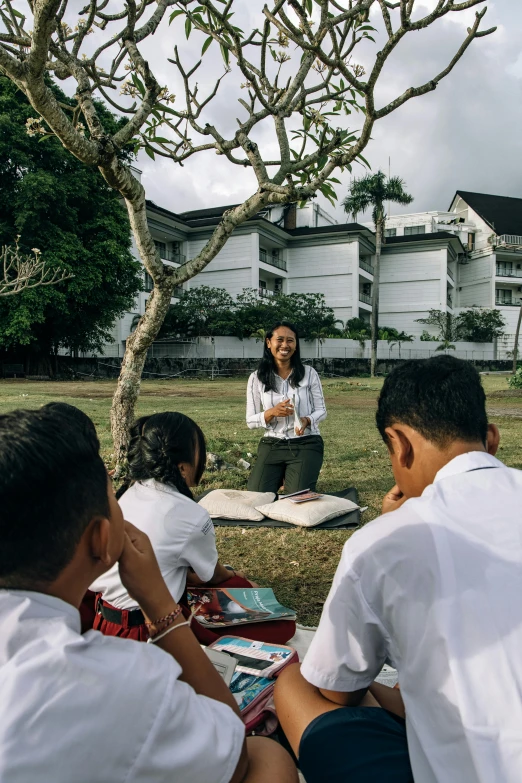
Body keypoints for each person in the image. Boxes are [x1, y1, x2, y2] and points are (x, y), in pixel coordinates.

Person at [0, 405, 297, 783]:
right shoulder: (127, 678)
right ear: (103, 539)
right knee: (269, 759)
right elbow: (233, 752)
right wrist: (160, 604)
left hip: (105, 617)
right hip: (148, 629)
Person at [274, 355, 522, 783]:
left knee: (294, 683)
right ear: (492, 438)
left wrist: (388, 529)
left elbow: (337, 691)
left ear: (400, 443)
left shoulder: (383, 543)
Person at [91, 412, 295, 644]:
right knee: (280, 624)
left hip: (105, 621)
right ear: (183, 467)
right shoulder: (190, 513)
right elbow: (210, 577)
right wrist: (236, 576)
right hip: (151, 630)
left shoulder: (129, 491)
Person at [246, 321, 326, 495]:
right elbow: (250, 421)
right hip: (273, 442)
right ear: (269, 343)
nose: (285, 345)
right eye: (279, 340)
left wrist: (307, 420)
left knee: (296, 496)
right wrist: (271, 413)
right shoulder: (256, 378)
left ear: (296, 345)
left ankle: (293, 473)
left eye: (290, 340)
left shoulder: (309, 373)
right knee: (257, 495)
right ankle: (282, 473)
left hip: (306, 442)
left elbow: (322, 411)